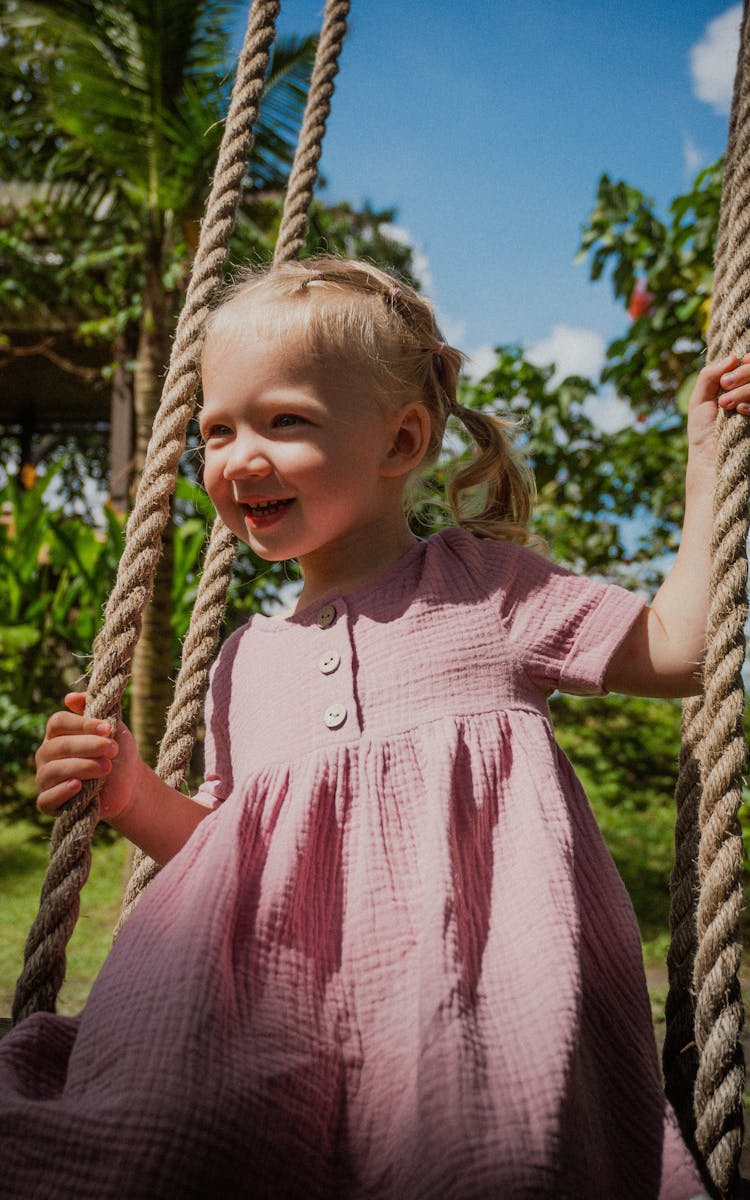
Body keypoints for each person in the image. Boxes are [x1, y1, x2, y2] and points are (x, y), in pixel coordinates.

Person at [2, 257, 748, 1199]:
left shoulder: (486, 587)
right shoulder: (244, 657)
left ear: (401, 441)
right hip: (274, 1030)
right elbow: (230, 850)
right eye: (216, 430)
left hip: (462, 1015)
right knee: (162, 1150)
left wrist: (708, 464)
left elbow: (681, 648)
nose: (238, 457)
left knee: (498, 1165)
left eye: (285, 421)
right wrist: (132, 796)